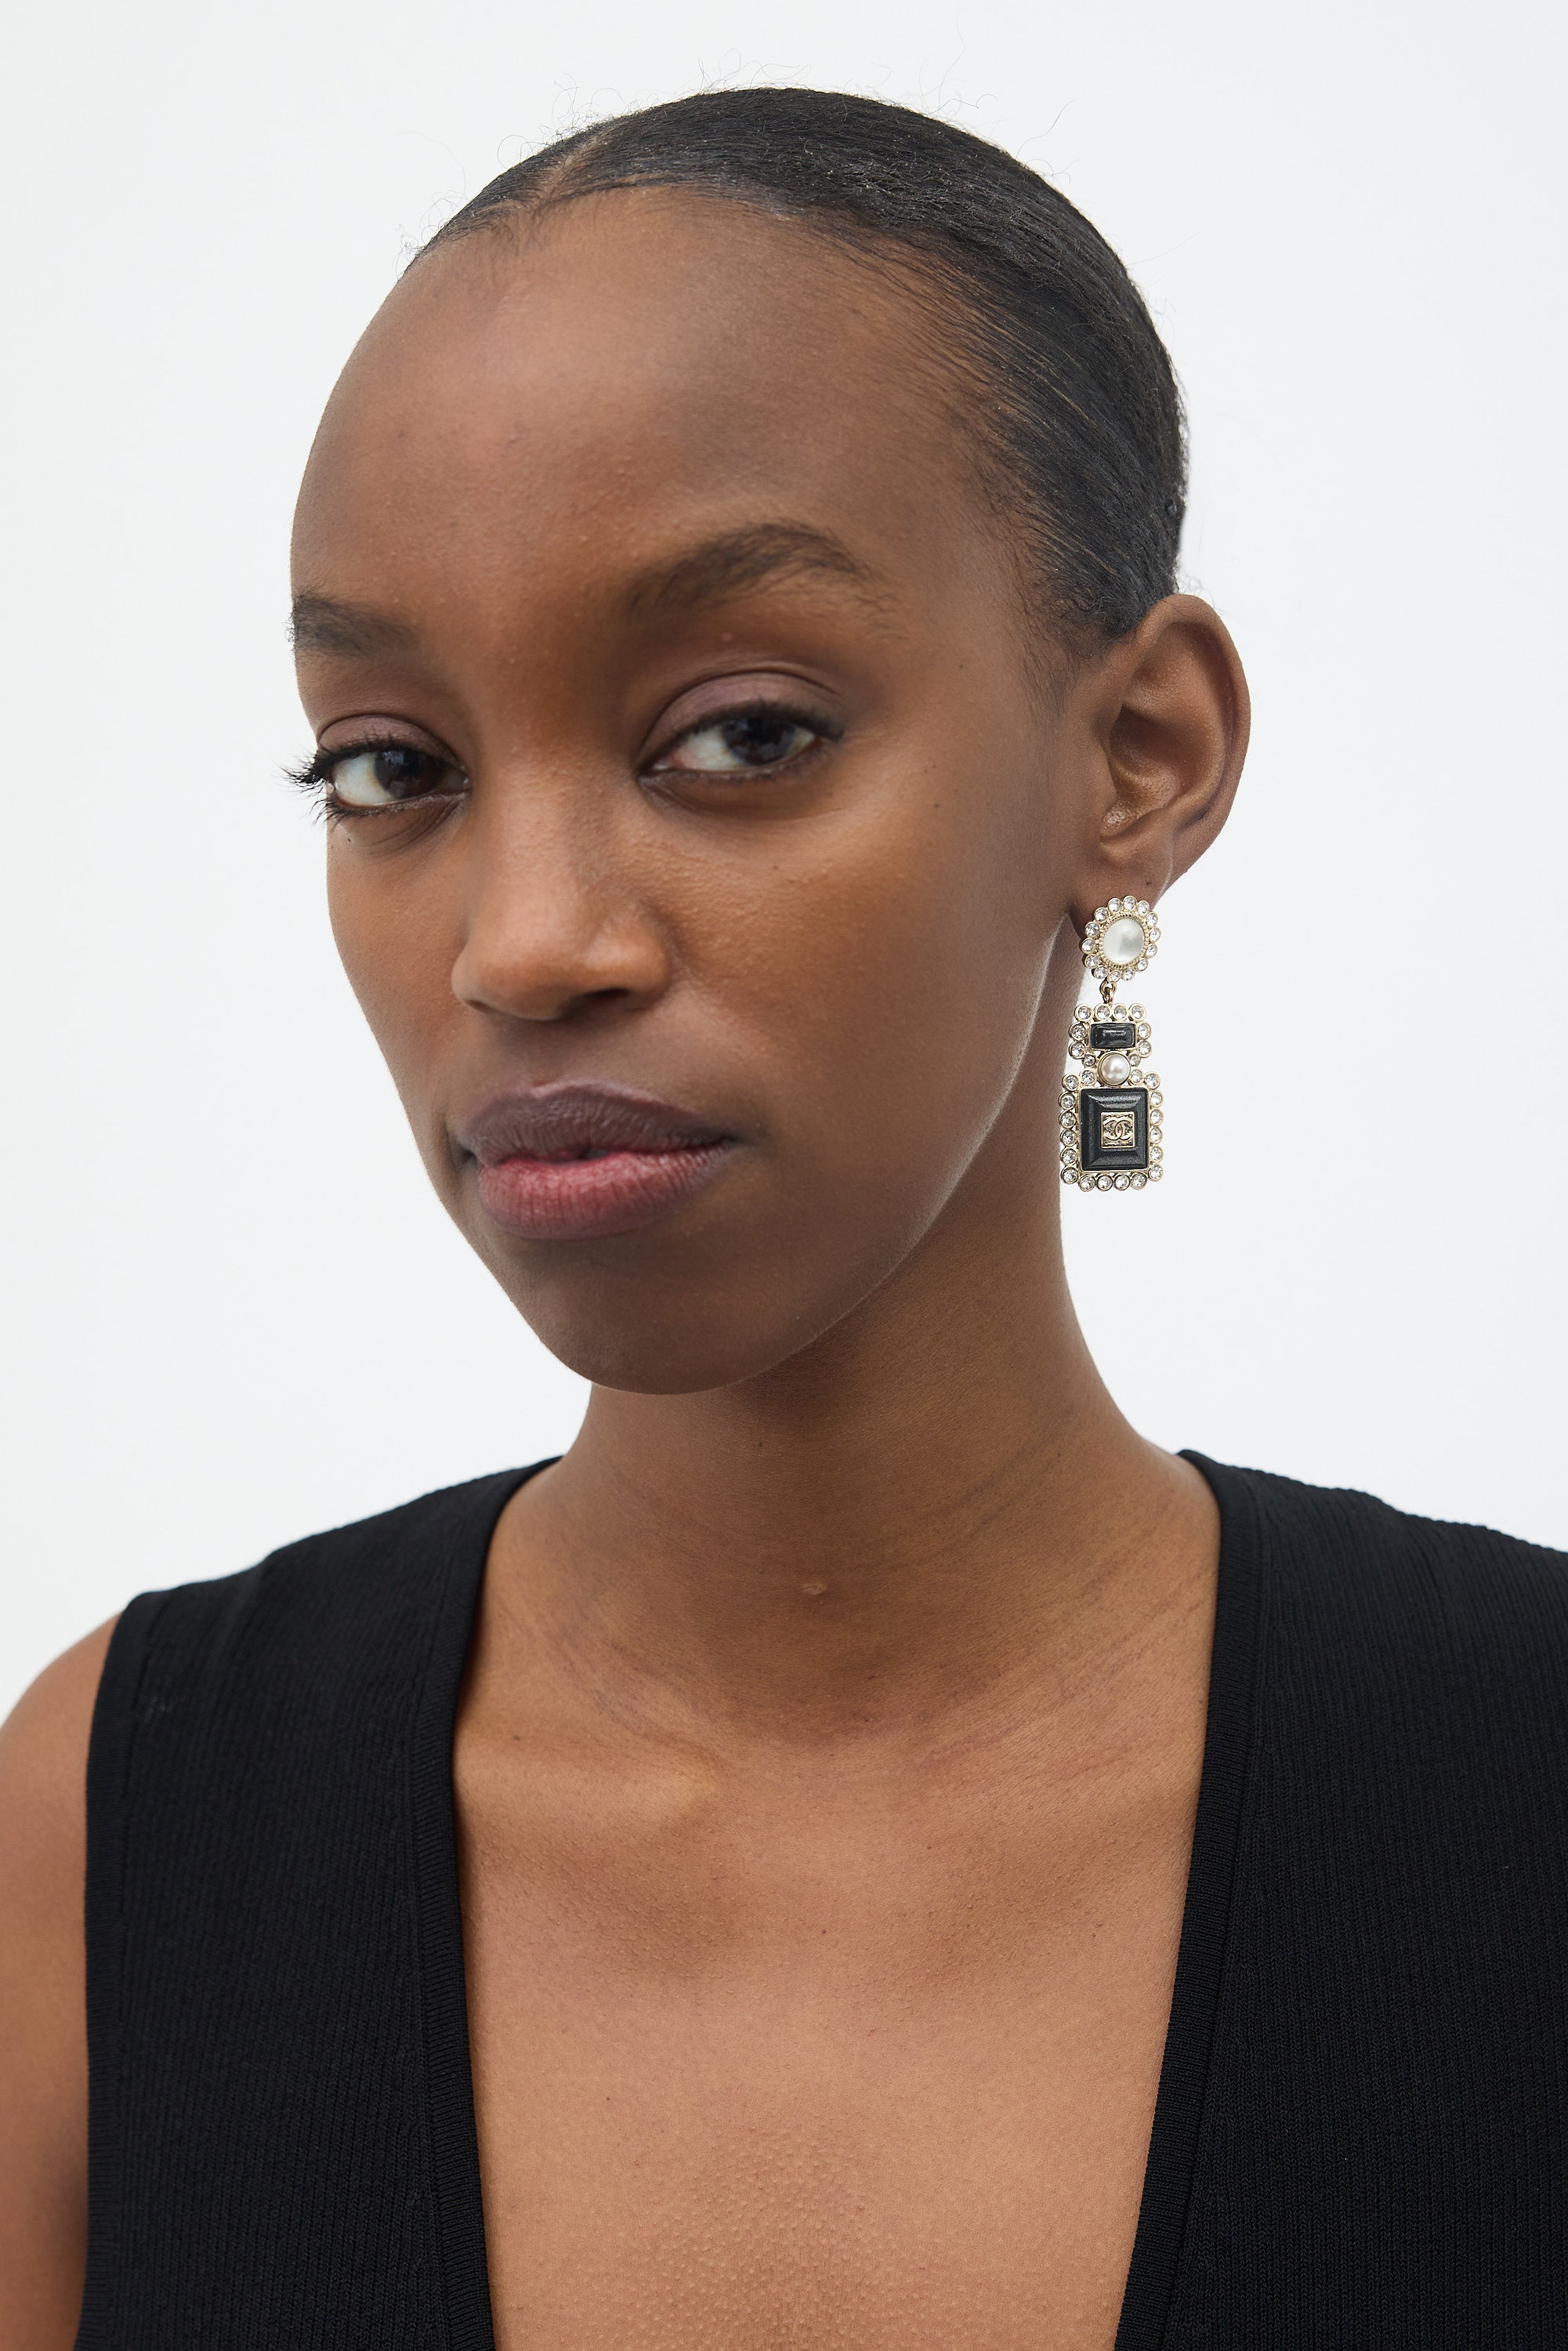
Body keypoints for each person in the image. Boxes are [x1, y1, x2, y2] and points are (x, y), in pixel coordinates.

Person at [2, 85, 1565, 2351]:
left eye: (738, 734)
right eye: (391, 769)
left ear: (1137, 760)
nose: (524, 943)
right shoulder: (113, 1835)